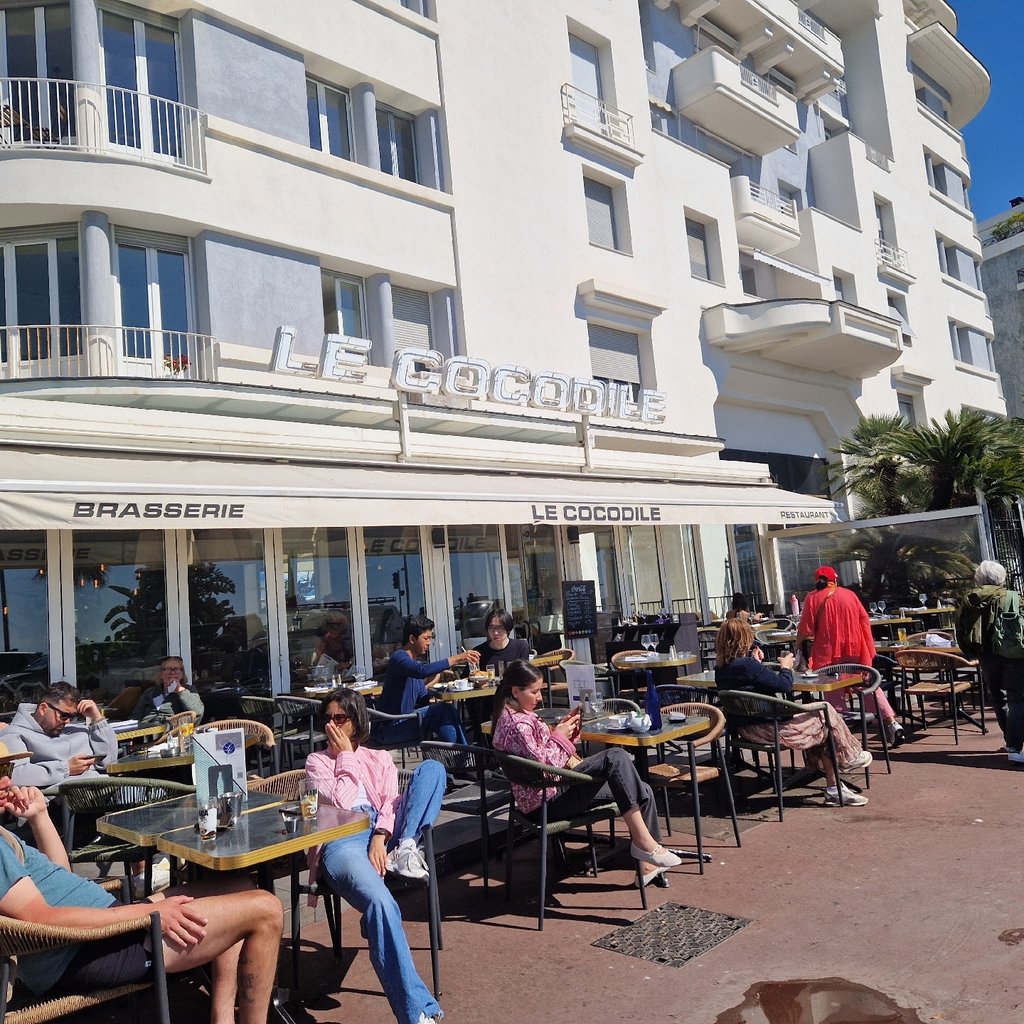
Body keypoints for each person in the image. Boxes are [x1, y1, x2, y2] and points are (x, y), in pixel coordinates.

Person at [0, 774, 282, 1023]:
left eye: (5, 770)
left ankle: (222, 1018)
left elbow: (59, 876)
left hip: (99, 931)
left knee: (237, 886)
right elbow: (41, 918)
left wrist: (39, 817)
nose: (7, 782)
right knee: (267, 908)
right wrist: (149, 913)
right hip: (85, 951)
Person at [305, 688, 445, 1024]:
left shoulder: (380, 758)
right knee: (380, 906)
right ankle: (416, 1013)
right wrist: (344, 757)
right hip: (342, 838)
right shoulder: (317, 762)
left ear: (356, 720)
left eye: (339, 718)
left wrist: (381, 838)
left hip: (387, 833)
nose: (331, 726)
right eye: (327, 720)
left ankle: (408, 846)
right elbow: (340, 800)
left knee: (432, 771)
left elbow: (389, 803)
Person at [491, 660, 681, 886]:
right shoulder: (518, 725)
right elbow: (544, 768)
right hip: (546, 801)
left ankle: (649, 860)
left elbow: (540, 756)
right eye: (535, 692)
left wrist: (564, 733)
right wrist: (560, 735)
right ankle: (646, 846)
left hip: (547, 794)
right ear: (515, 691)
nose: (540, 697)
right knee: (616, 757)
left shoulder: (509, 716)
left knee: (641, 787)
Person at [715, 618, 872, 806]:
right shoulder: (749, 665)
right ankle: (848, 758)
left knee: (822, 722)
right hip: (769, 728)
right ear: (746, 639)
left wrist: (756, 663)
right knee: (825, 713)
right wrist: (786, 667)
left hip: (746, 729)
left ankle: (834, 786)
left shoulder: (721, 669)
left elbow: (750, 682)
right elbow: (784, 685)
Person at [797, 566, 904, 747]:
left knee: (833, 691)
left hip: (828, 653)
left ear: (816, 580)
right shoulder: (850, 595)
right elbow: (864, 620)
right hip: (855, 649)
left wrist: (797, 644)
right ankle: (891, 722)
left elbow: (806, 629)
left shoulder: (812, 597)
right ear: (836, 579)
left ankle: (842, 736)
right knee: (867, 686)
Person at [955, 559, 1024, 763]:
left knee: (997, 696)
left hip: (985, 654)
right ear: (1002, 578)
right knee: (1017, 699)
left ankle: (1009, 740)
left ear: (979, 578)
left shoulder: (970, 598)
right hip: (1014, 653)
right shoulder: (1013, 596)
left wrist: (969, 651)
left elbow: (960, 627)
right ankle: (1014, 746)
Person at [376, 615, 476, 746]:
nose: (429, 642)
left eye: (431, 638)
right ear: (412, 639)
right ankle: (462, 756)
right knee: (443, 711)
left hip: (405, 721)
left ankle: (459, 756)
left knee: (446, 709)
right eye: (426, 638)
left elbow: (421, 699)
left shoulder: (412, 664)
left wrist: (441, 691)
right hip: (390, 728)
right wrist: (457, 658)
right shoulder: (399, 658)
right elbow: (422, 671)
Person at [3, 681, 118, 787]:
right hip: (70, 800)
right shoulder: (14, 734)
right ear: (43, 708)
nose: (68, 721)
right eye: (64, 715)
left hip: (105, 787)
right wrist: (66, 768)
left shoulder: (76, 730)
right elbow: (16, 775)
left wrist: (97, 719)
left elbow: (110, 763)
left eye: (73, 716)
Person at [132, 656, 205, 725]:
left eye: (176, 669)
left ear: (182, 674)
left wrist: (179, 689)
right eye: (168, 669)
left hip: (171, 731)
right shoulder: (150, 692)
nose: (172, 673)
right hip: (146, 731)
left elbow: (198, 712)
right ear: (161, 674)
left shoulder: (188, 690)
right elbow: (135, 716)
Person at [472, 608, 531, 672]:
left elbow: (525, 675)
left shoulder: (521, 646)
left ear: (508, 628)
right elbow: (468, 677)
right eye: (491, 628)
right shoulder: (478, 652)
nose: (495, 633)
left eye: (500, 628)